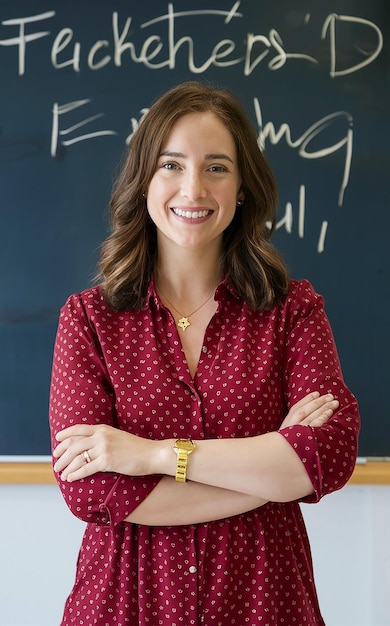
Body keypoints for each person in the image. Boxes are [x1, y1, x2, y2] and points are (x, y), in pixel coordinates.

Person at [49, 81, 360, 625]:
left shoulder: (293, 311)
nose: (193, 188)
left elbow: (326, 457)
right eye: (171, 164)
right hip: (125, 604)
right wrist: (269, 474)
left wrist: (152, 455)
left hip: (266, 603)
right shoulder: (89, 320)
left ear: (241, 187)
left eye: (216, 167)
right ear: (144, 179)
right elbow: (92, 490)